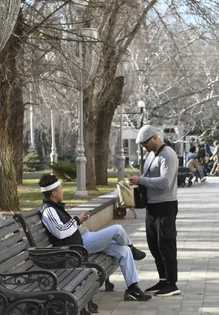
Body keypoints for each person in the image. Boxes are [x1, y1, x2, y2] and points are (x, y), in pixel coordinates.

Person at [38, 173, 151, 302]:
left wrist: (78, 220)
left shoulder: (54, 207)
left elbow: (65, 227)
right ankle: (132, 248)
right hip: (77, 248)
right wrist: (76, 219)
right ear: (53, 193)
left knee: (123, 251)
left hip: (83, 240)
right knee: (117, 229)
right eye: (60, 188)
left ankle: (133, 290)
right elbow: (60, 232)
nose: (62, 191)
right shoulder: (48, 210)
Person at [128, 126, 180, 297]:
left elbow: (165, 181)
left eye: (145, 144)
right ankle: (163, 279)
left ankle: (172, 283)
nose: (144, 147)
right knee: (155, 244)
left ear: (154, 138)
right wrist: (138, 182)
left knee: (166, 243)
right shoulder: (151, 155)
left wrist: (141, 179)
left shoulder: (168, 155)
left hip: (165, 205)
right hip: (152, 206)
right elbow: (149, 177)